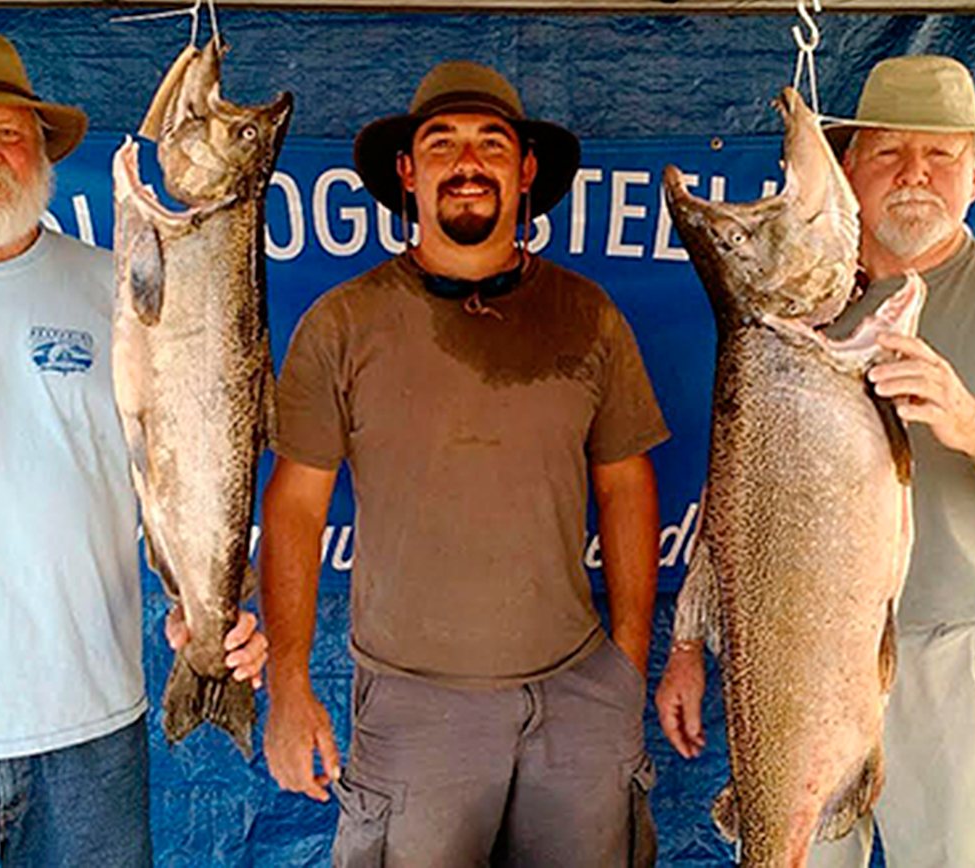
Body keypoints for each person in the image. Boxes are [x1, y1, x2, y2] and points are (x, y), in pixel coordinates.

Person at [656, 54, 975, 866]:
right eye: (888, 153)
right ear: (849, 169)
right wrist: (689, 644)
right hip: (792, 656)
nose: (915, 175)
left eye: (941, 155)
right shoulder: (803, 304)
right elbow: (744, 486)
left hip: (959, 661)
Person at [0, 25, 266, 866]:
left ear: (42, 149)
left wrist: (203, 601)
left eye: (5, 132)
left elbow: (180, 473)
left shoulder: (127, 291)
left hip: (90, 731)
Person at [260, 60, 669, 866]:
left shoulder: (588, 315)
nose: (467, 162)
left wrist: (625, 661)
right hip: (413, 708)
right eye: (441, 143)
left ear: (524, 172)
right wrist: (288, 679)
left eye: (490, 142)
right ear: (408, 174)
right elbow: (296, 509)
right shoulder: (342, 324)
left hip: (578, 694)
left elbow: (626, 483)